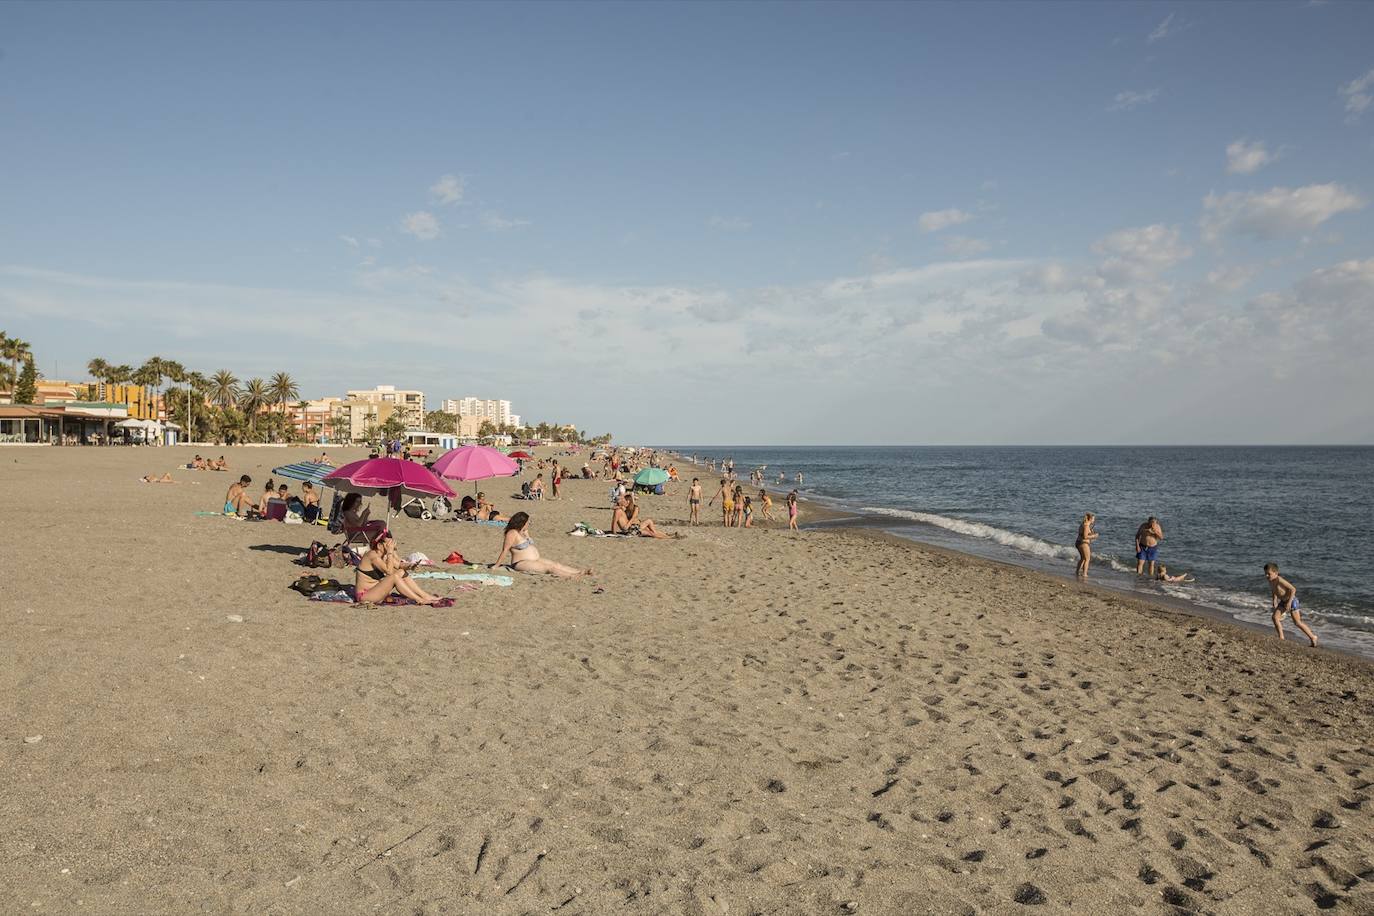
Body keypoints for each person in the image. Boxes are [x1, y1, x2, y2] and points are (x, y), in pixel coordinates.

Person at [355, 529, 444, 605]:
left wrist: (411, 566)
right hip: (365, 595)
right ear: (379, 545)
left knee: (401, 572)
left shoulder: (384, 555)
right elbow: (389, 571)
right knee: (394, 577)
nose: (391, 546)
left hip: (376, 591)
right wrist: (390, 552)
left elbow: (399, 565)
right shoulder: (373, 556)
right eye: (388, 544)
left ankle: (424, 595)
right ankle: (419, 599)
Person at [494, 512, 592, 578]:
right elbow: (505, 550)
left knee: (556, 564)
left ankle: (579, 572)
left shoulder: (522, 532)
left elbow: (529, 544)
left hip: (534, 559)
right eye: (528, 522)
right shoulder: (512, 533)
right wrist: (496, 565)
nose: (529, 524)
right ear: (522, 522)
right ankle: (572, 576)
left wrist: (526, 533)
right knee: (550, 568)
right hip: (520, 563)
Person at [1264, 563, 1318, 646]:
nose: (1267, 576)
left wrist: (1289, 602)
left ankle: (1312, 637)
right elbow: (1274, 590)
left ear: (1276, 573)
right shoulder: (1270, 581)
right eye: (1266, 574)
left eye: (1269, 574)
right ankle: (1281, 638)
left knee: (1297, 622)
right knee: (1275, 617)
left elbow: (1293, 589)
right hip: (1283, 601)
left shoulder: (1279, 580)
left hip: (1292, 601)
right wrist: (1274, 600)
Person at [1075, 512, 1099, 578]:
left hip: (1079, 542)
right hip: (1083, 543)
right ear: (1090, 519)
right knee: (1087, 559)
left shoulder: (1084, 524)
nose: (1094, 520)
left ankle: (1077, 572)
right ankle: (1084, 574)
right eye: (1093, 519)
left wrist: (1091, 533)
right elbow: (1085, 536)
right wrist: (1094, 536)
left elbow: (1084, 534)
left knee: (1083, 558)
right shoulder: (1086, 525)